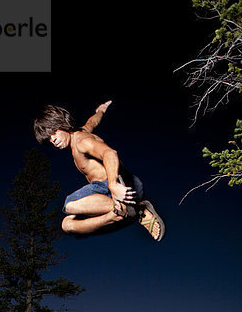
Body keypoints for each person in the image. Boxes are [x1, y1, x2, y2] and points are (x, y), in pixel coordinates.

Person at [33, 101, 165, 241]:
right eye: (49, 139)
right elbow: (92, 122)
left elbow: (109, 153)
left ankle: (136, 210)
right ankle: (115, 215)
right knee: (67, 225)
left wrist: (113, 185)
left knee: (69, 205)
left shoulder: (81, 141)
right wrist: (100, 110)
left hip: (118, 186)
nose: (53, 139)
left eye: (53, 132)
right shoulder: (83, 131)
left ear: (62, 124)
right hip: (108, 193)